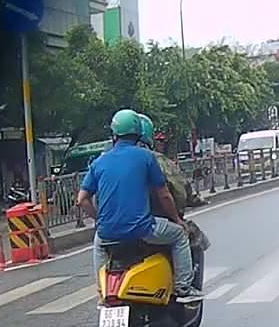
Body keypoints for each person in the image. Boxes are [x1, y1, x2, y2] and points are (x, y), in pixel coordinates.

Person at [77, 108, 202, 302]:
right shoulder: (147, 158)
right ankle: (183, 287)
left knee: (99, 244)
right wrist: (177, 220)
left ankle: (103, 292)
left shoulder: (99, 161)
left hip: (108, 232)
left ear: (114, 134)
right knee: (179, 235)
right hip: (142, 229)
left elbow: (82, 199)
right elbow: (165, 195)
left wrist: (100, 219)